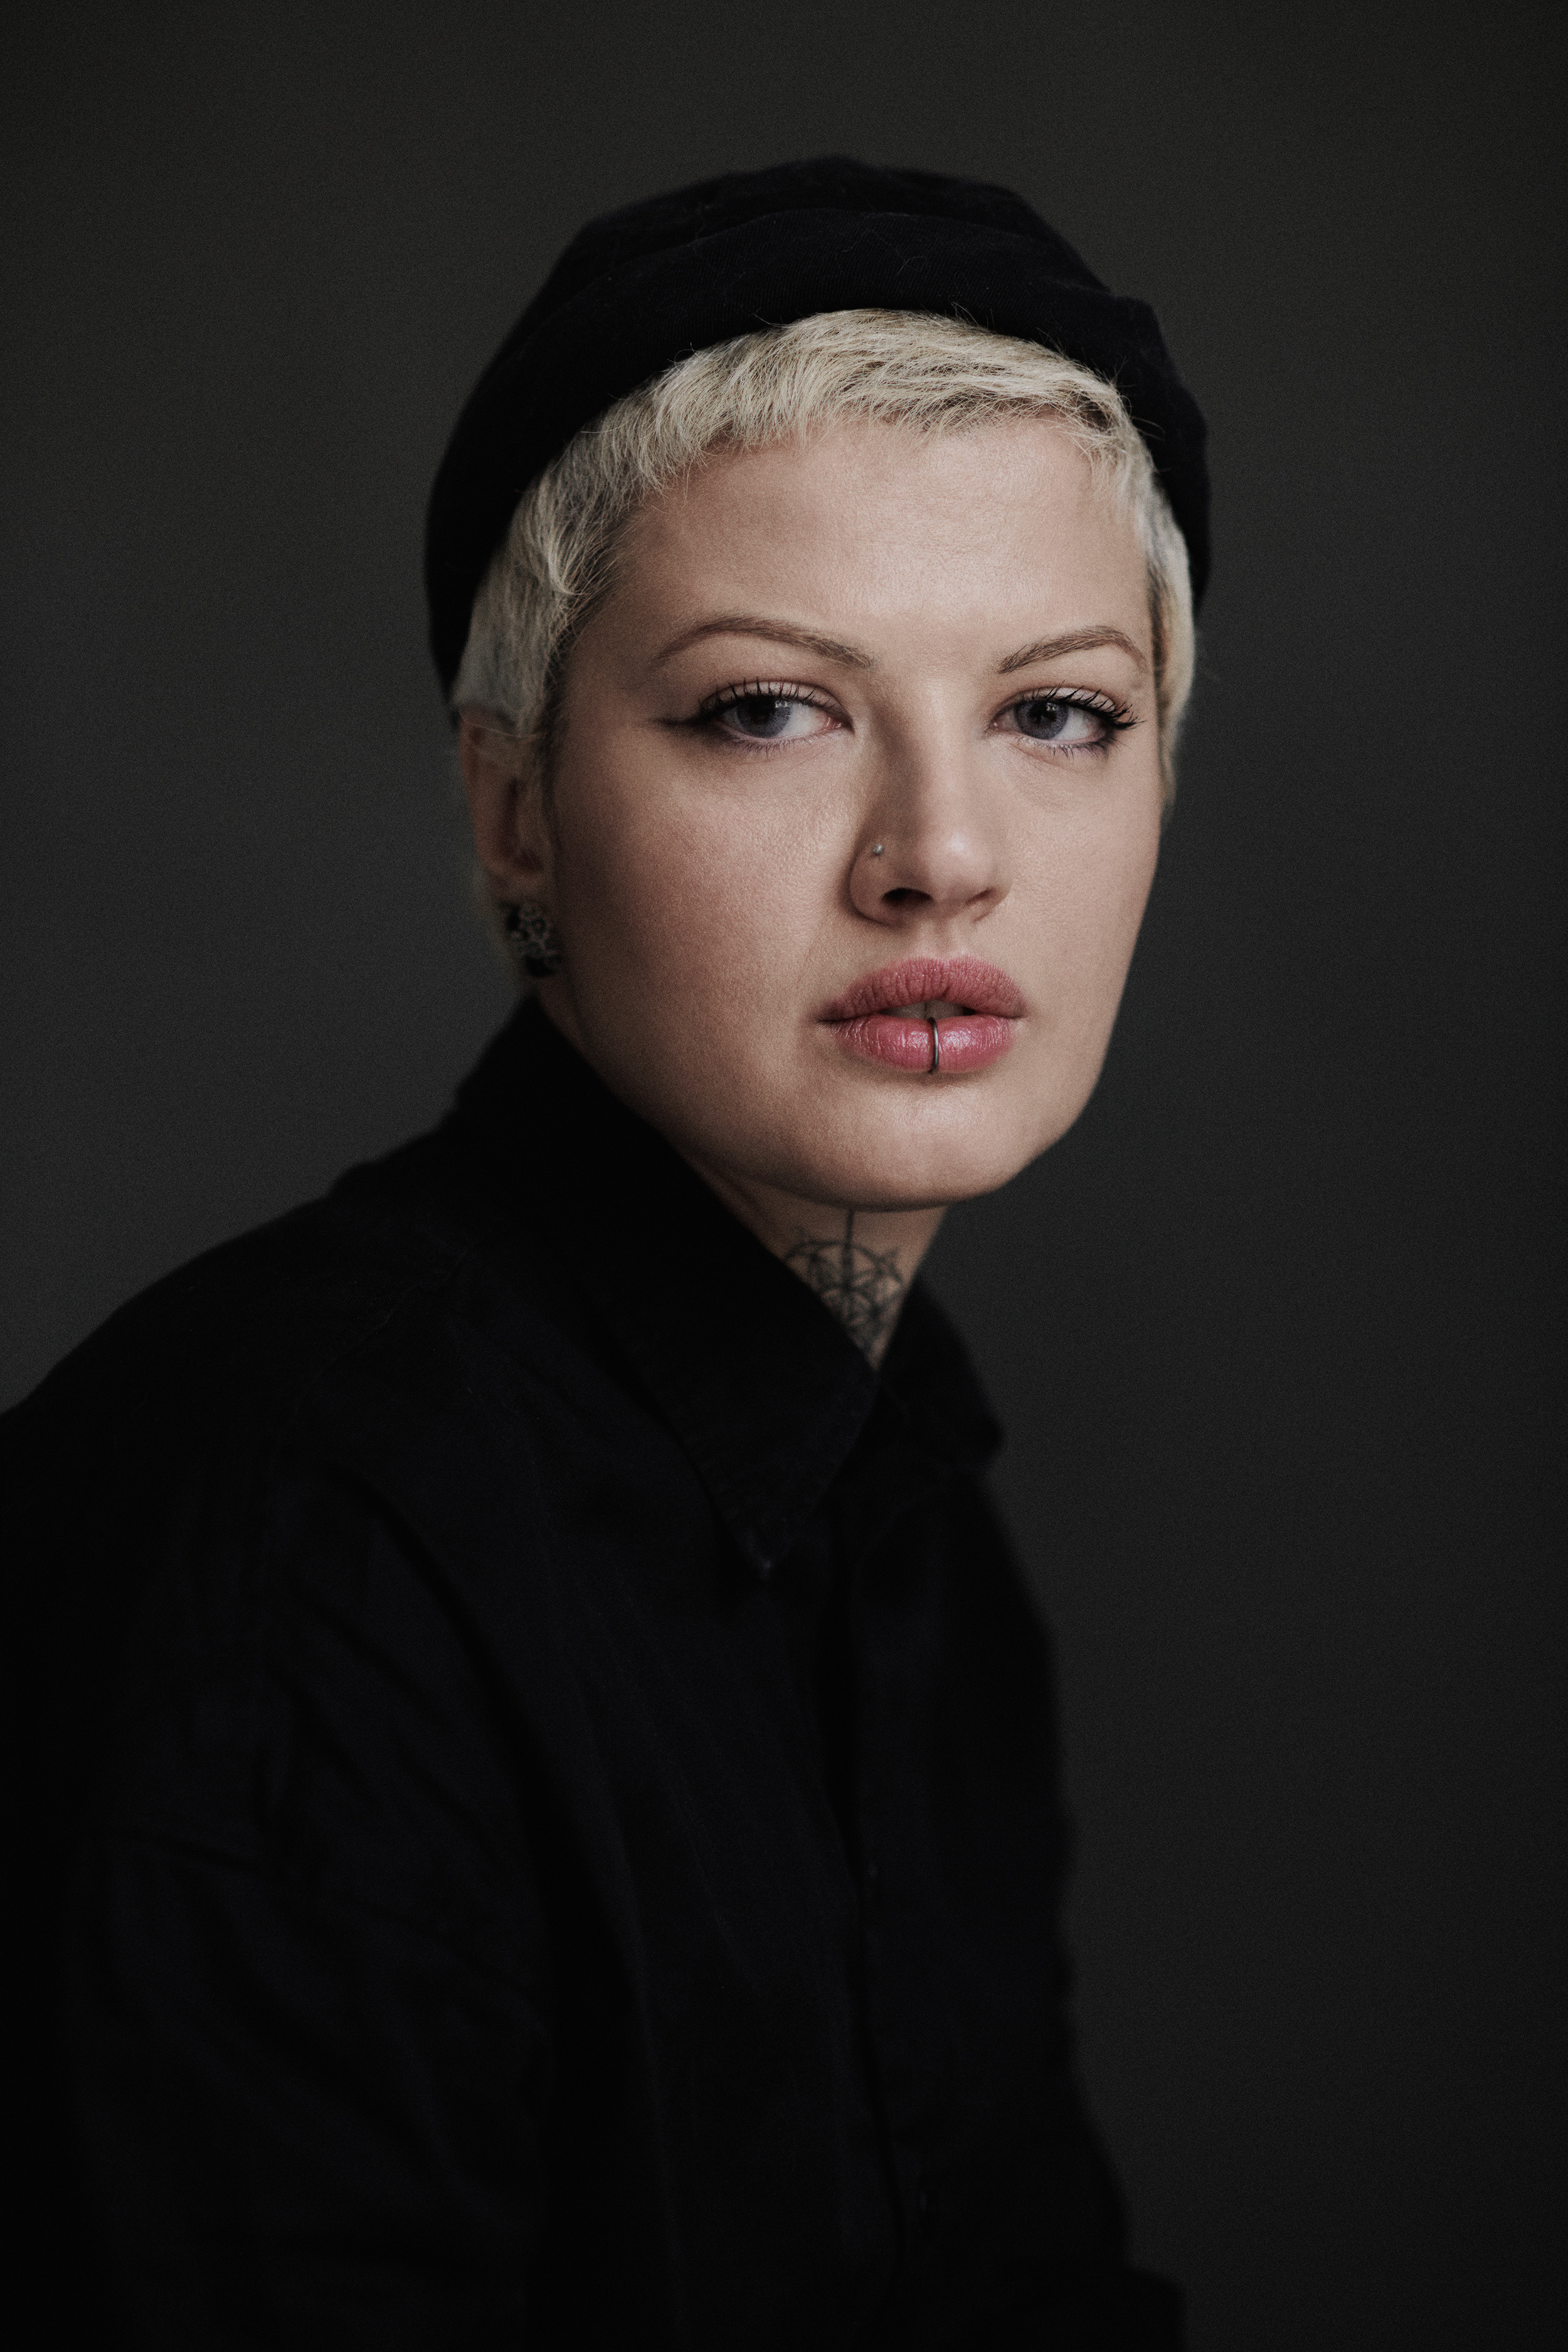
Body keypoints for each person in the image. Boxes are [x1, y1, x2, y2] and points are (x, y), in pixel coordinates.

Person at [4, 157, 1207, 2348]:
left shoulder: (910, 1524)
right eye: (769, 708)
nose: (940, 855)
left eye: (1057, 712)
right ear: (515, 812)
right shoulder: (292, 1553)